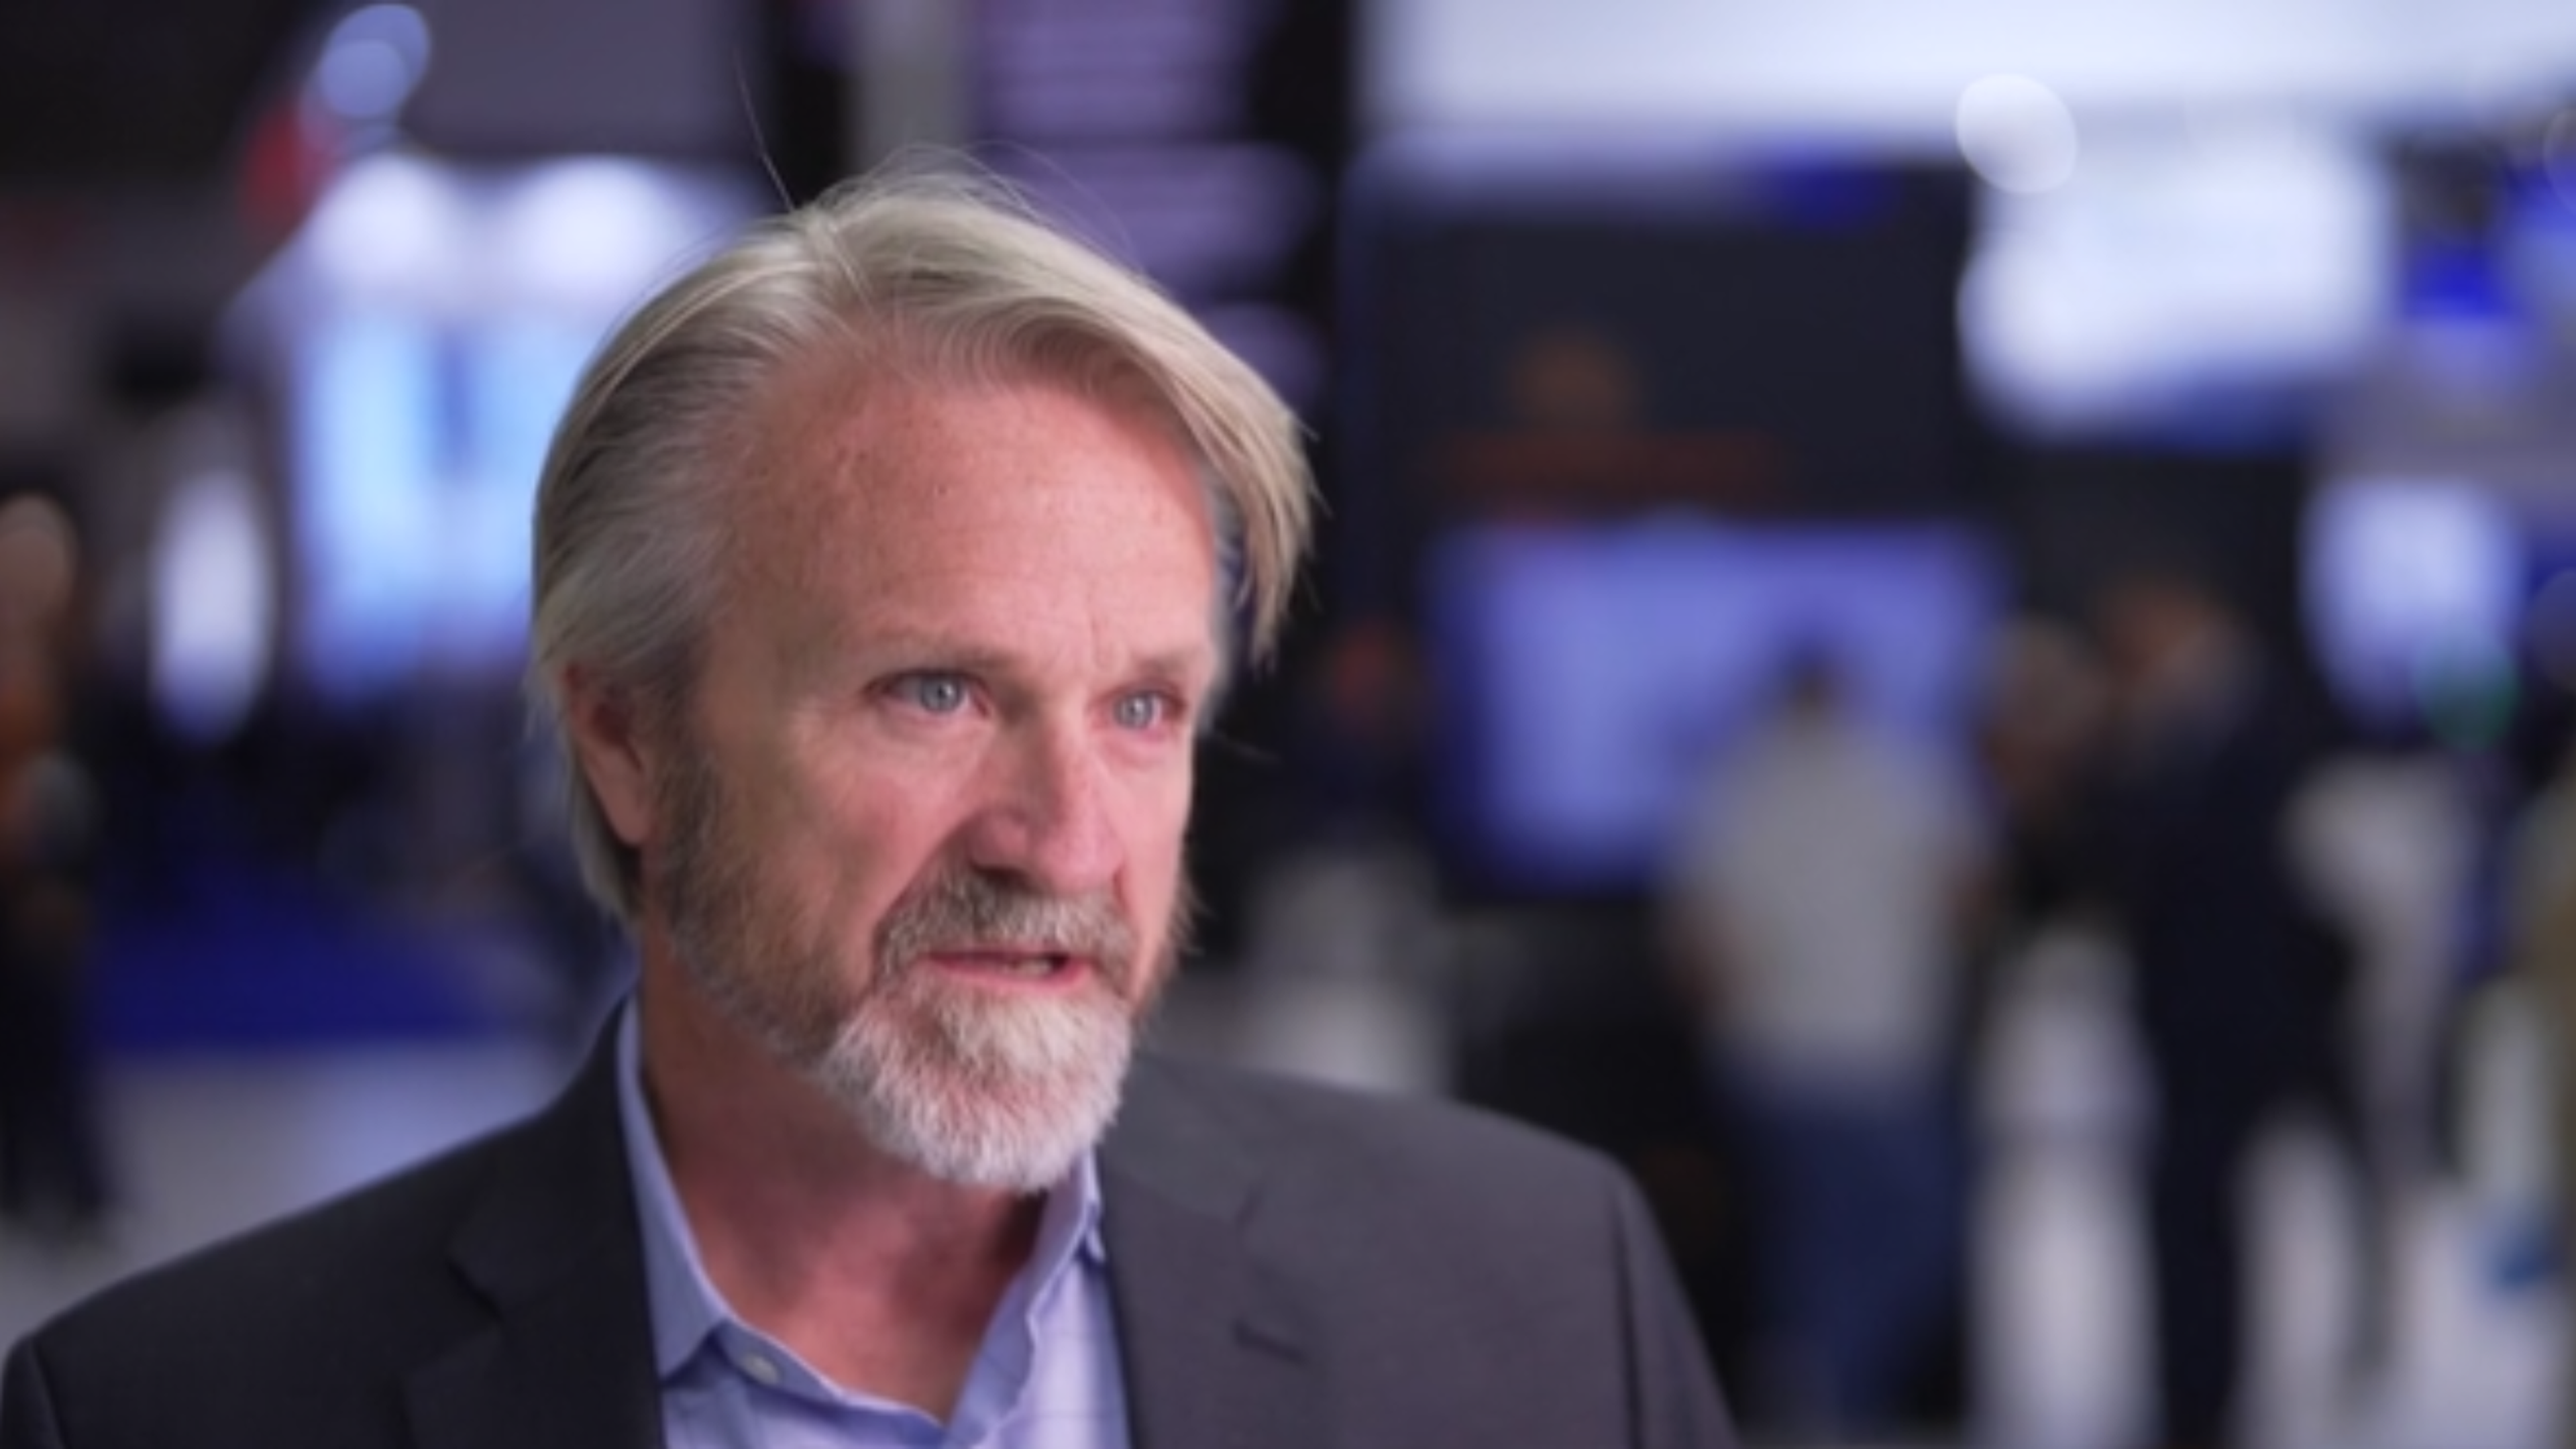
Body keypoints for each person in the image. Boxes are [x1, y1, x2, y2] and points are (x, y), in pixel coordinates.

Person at [0, 168, 1730, 1448]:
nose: (1064, 840)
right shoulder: (175, 1413)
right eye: (936, 693)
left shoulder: (1536, 1297)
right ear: (624, 737)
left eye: (1141, 708)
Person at [1662, 645, 1987, 1441]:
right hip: (1874, 1053)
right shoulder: (1907, 774)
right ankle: (1834, 1384)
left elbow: (1698, 945)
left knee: (1813, 1239)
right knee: (1909, 1232)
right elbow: (1968, 897)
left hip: (1776, 1056)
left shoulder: (1732, 786)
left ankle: (1819, 1383)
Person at [2088, 561, 2351, 1449]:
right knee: (2188, 1220)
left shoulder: (2276, 718)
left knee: (2216, 1216)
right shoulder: (2171, 726)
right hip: (2186, 1020)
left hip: (2250, 1017)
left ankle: (2208, 1403)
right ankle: (2192, 1402)